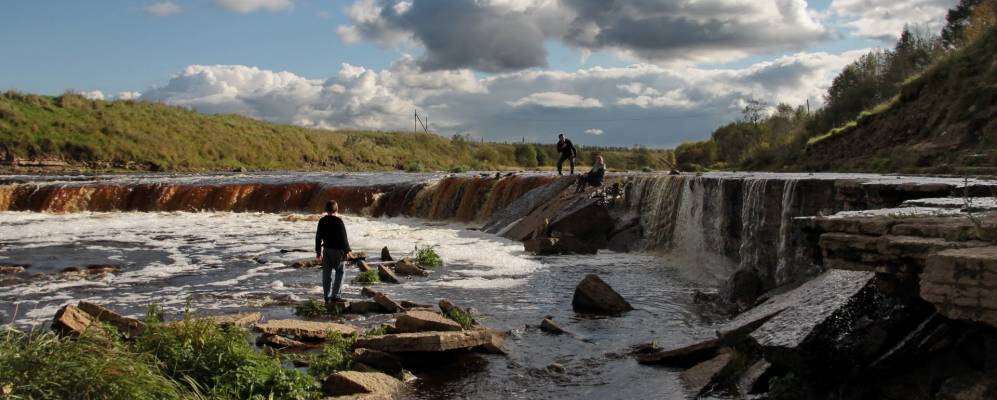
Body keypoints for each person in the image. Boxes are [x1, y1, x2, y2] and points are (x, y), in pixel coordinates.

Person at [316, 200, 351, 303]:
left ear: (326, 210)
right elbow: (343, 238)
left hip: (326, 251)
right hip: (338, 252)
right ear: (337, 209)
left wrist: (318, 252)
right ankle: (335, 296)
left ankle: (326, 296)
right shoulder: (339, 221)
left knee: (326, 274)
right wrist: (347, 251)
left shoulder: (322, 221)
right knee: (340, 273)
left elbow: (318, 238)